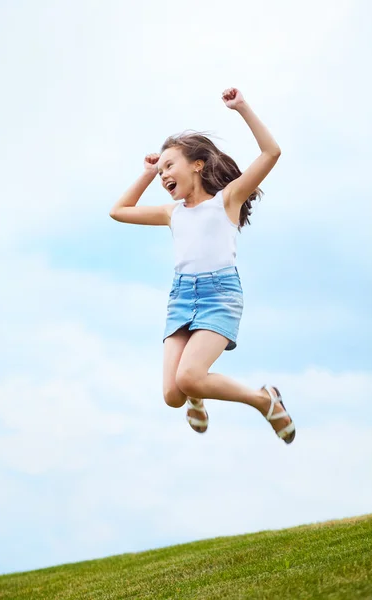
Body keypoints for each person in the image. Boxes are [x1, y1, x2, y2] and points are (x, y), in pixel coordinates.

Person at [110, 87, 295, 444]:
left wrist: (242, 107)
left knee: (190, 376)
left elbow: (272, 152)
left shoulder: (228, 200)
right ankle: (197, 395)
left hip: (219, 295)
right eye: (161, 169)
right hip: (181, 297)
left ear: (196, 164)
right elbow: (119, 211)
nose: (164, 174)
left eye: (169, 166)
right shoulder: (172, 213)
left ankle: (264, 400)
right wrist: (147, 174)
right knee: (173, 395)